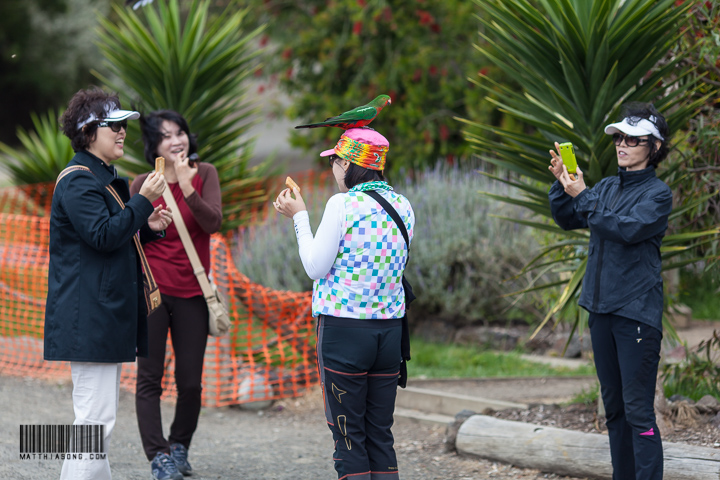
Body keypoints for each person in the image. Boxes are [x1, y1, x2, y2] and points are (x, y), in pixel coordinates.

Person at [45, 87, 171, 480]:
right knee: (95, 424)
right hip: (92, 320)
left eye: (123, 125)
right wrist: (143, 202)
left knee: (96, 423)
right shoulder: (79, 182)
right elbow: (101, 235)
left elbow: (108, 237)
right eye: (114, 125)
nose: (122, 133)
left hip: (99, 320)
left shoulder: (95, 177)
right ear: (88, 132)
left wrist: (144, 227)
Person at [274, 127, 415, 480]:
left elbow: (315, 267)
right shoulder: (404, 205)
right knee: (380, 436)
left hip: (344, 333)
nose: (333, 169)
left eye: (336, 161)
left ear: (351, 164)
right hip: (389, 334)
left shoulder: (343, 204)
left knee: (349, 440)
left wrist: (299, 217)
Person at [548, 102, 672, 480]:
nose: (622, 144)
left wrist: (583, 194)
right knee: (614, 409)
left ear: (654, 148)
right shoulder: (604, 187)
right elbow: (568, 218)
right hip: (600, 311)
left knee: (638, 412)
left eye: (633, 140)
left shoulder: (658, 194)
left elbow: (625, 229)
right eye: (619, 137)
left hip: (635, 314)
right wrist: (563, 184)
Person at [131, 110, 223, 480]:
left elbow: (213, 222)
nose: (176, 140)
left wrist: (187, 187)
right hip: (151, 291)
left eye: (180, 133)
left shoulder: (206, 175)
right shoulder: (142, 183)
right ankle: (159, 456)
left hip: (192, 293)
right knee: (149, 379)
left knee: (190, 381)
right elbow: (129, 233)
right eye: (166, 136)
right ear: (154, 145)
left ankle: (179, 445)